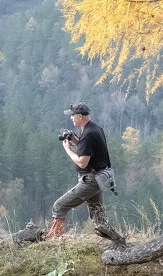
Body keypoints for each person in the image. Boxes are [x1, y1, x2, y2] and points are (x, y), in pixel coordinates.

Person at [46, 103, 124, 244]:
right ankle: (116, 242)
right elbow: (88, 148)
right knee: (98, 215)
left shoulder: (88, 134)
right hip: (99, 178)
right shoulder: (95, 129)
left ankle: (52, 241)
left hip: (90, 181)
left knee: (59, 206)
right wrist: (74, 140)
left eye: (72, 115)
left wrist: (67, 149)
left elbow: (82, 162)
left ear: (80, 116)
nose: (71, 118)